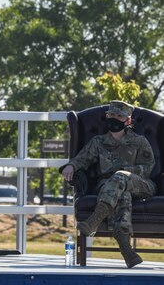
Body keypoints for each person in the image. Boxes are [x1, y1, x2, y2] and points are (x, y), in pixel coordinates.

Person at [60, 100, 155, 268]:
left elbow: (147, 168)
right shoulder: (98, 142)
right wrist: (71, 165)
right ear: (107, 117)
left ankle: (94, 220)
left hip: (140, 184)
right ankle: (126, 250)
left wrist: (124, 172)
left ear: (128, 121)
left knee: (120, 177)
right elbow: (83, 158)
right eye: (111, 115)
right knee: (122, 196)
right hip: (108, 186)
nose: (114, 119)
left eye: (119, 116)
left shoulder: (139, 141)